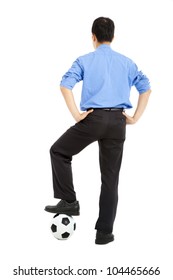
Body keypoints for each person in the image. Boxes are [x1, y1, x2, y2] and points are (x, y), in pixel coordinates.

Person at [45, 17, 151, 245]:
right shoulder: (127, 63)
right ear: (113, 37)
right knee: (111, 180)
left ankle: (69, 200)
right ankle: (104, 234)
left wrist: (76, 115)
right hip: (117, 122)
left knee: (59, 152)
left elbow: (65, 85)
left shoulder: (85, 60)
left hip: (94, 119)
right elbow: (147, 89)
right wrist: (134, 118)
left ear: (93, 37)